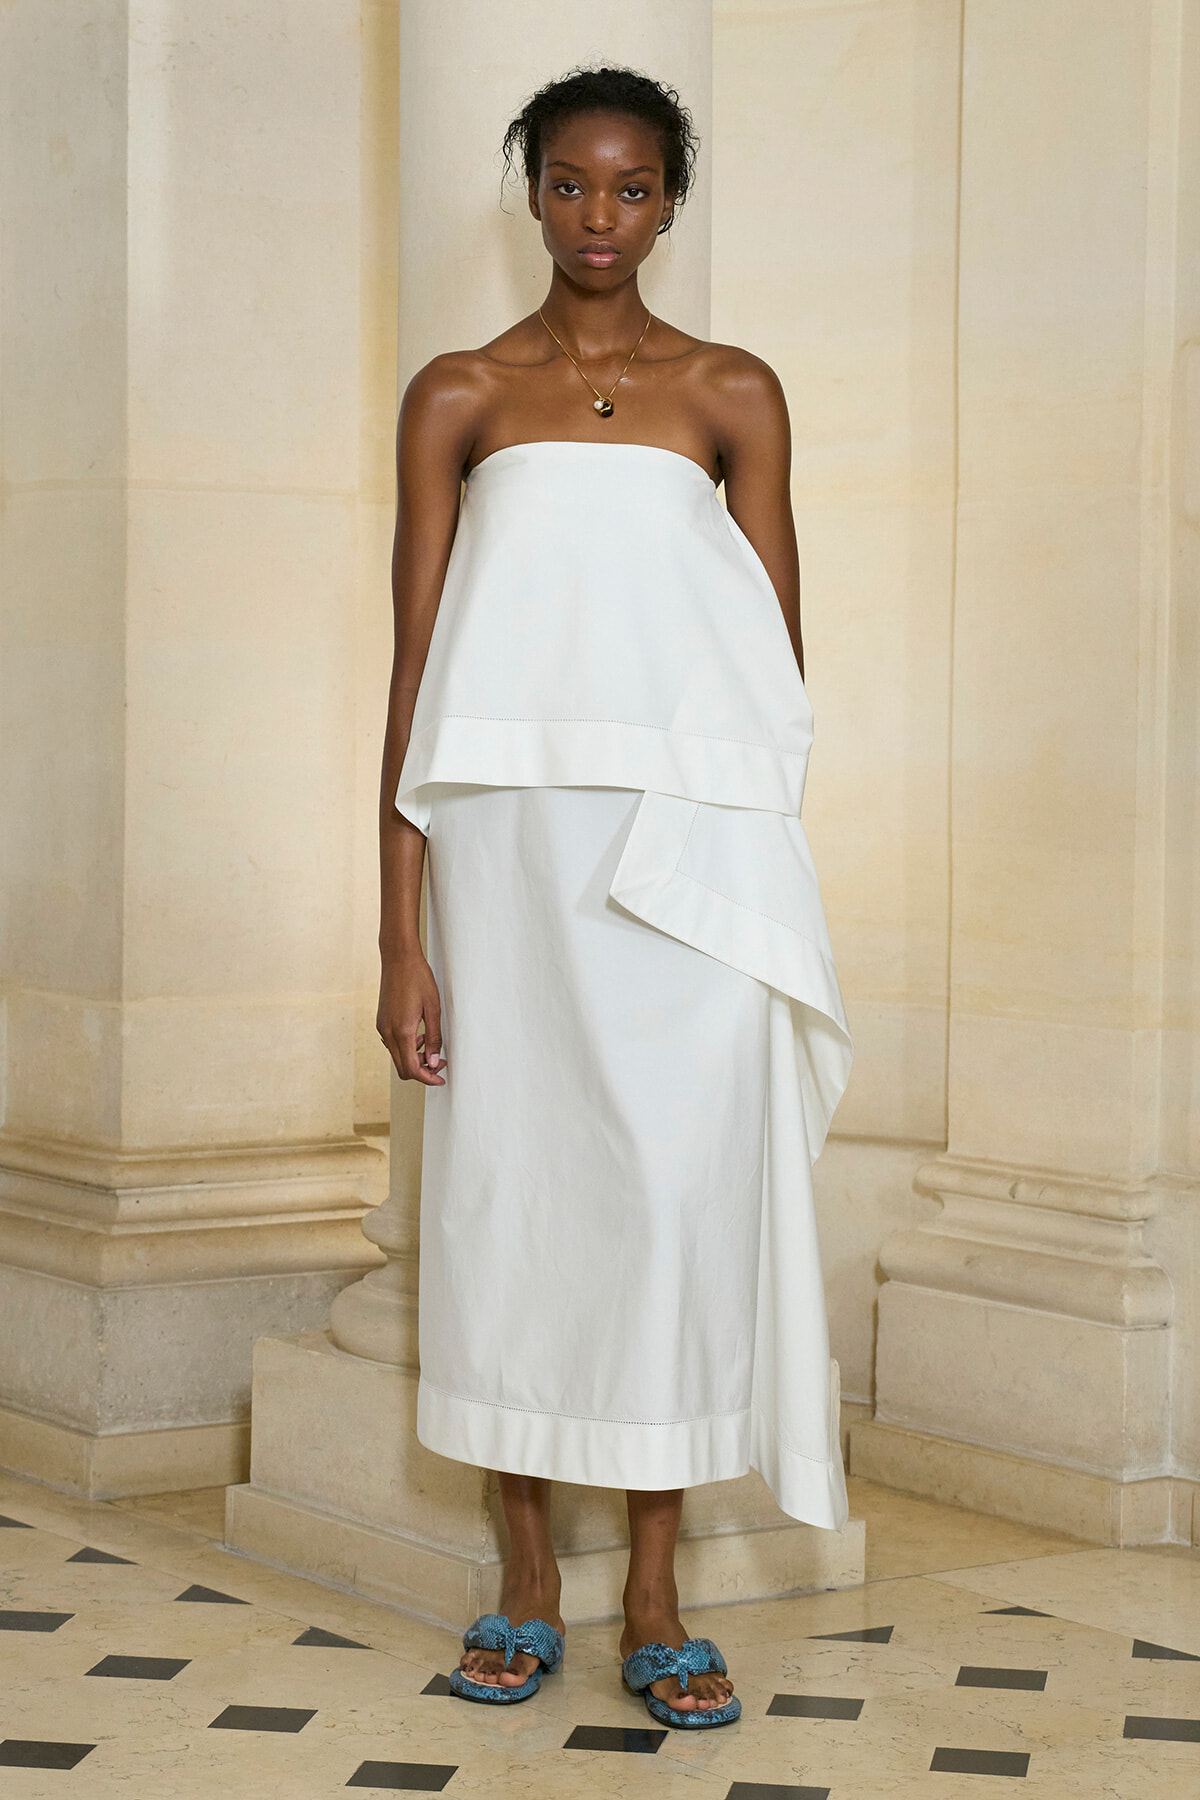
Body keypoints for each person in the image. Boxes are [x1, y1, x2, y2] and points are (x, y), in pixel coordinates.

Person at [376, 66, 852, 1731]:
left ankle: (656, 1590)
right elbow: (415, 672)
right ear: (530, 192)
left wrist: (760, 870)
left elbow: (775, 669)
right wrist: (400, 933)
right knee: (510, 1197)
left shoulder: (731, 392)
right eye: (572, 185)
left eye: (632, 188)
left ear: (670, 202)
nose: (600, 217)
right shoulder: (460, 395)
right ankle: (524, 1579)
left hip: (680, 862)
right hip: (509, 856)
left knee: (667, 1205)